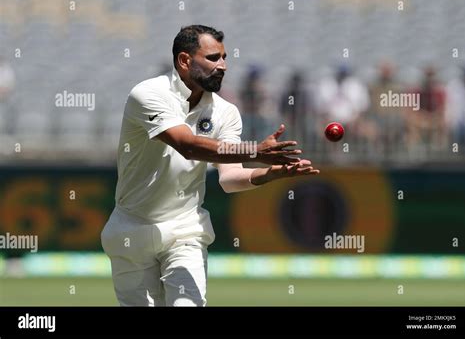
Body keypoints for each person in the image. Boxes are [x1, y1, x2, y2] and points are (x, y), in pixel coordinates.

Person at [101, 25, 319, 307]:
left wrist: (268, 174)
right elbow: (188, 146)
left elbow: (229, 178)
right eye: (214, 58)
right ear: (184, 61)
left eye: (225, 58)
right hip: (132, 228)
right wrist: (256, 149)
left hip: (185, 230)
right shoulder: (148, 94)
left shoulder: (225, 112)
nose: (223, 66)